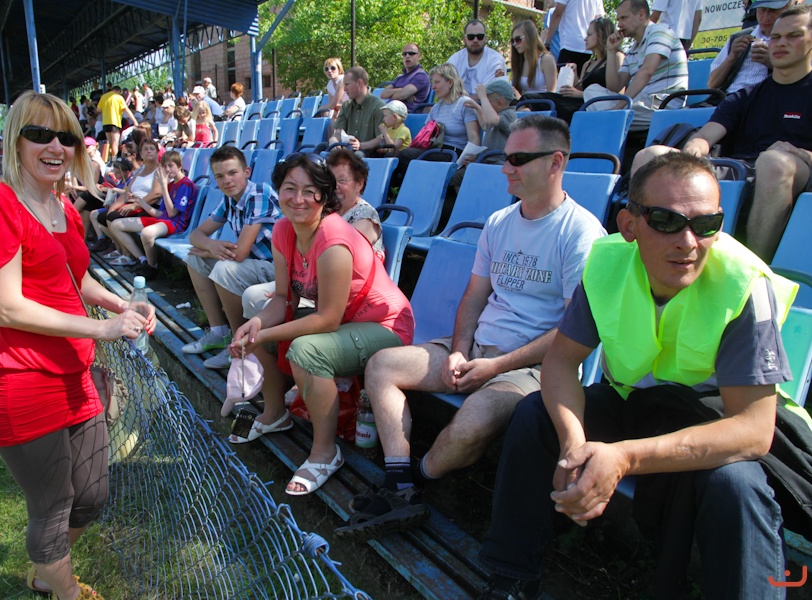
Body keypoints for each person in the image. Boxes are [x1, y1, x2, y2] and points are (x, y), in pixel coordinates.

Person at [477, 152, 803, 599]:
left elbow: (751, 430)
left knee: (736, 486)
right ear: (629, 225)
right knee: (536, 414)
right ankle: (510, 575)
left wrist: (624, 457)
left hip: (714, 418)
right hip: (634, 402)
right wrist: (574, 447)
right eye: (666, 221)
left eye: (706, 225)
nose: (688, 242)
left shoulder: (744, 282)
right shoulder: (606, 262)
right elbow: (559, 363)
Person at [335, 116, 606, 539]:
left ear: (556, 163)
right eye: (506, 158)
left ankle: (416, 479)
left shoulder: (581, 233)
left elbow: (573, 333)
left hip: (532, 368)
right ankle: (399, 483)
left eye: (518, 159)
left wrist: (495, 367)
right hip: (476, 347)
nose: (506, 168)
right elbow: (475, 296)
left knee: (471, 423)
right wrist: (461, 349)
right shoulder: (499, 222)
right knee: (382, 365)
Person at [0, 90, 156, 600]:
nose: (55, 146)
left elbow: (76, 280)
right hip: (22, 382)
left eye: (66, 137)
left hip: (76, 375)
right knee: (52, 506)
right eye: (40, 134)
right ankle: (63, 588)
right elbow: (8, 308)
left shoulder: (63, 208)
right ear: (16, 140)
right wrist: (102, 329)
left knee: (91, 495)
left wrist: (122, 306)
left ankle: (48, 570)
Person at [227, 153, 414, 498]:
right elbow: (283, 298)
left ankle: (326, 453)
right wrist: (256, 325)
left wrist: (264, 332)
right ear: (278, 191)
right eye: (290, 188)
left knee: (306, 350)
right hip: (346, 321)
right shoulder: (284, 230)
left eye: (310, 190)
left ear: (324, 196)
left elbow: (327, 319)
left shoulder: (333, 239)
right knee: (260, 332)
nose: (299, 199)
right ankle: (275, 414)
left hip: (385, 325)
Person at [634, 5, 812, 262]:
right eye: (775, 37)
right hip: (741, 168)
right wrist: (692, 153)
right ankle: (643, 256)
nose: (781, 43)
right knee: (650, 156)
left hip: (793, 170)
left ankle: (753, 267)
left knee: (774, 162)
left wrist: (800, 153)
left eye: (793, 36)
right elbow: (704, 137)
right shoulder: (746, 95)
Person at [240, 148, 387, 317]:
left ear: (359, 184)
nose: (335, 186)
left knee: (263, 301)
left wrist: (291, 288)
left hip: (348, 297)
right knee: (257, 298)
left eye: (342, 180)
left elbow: (335, 259)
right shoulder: (316, 213)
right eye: (332, 180)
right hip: (314, 286)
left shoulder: (364, 216)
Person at [180, 146, 281, 370]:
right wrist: (211, 246)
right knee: (195, 259)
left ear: (247, 171)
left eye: (232, 172)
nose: (226, 180)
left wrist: (210, 250)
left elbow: (241, 252)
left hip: (277, 270)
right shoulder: (229, 200)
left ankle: (238, 344)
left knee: (224, 268)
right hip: (254, 265)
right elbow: (196, 235)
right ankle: (219, 332)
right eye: (219, 176)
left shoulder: (259, 194)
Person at [584, 0, 688, 131]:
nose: (619, 25)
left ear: (641, 14)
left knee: (595, 117)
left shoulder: (660, 31)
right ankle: (611, 120)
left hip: (662, 106)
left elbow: (647, 71)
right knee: (591, 90)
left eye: (624, 18)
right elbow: (614, 87)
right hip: (640, 103)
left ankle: (611, 120)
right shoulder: (633, 50)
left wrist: (619, 108)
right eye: (618, 19)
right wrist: (610, 50)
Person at [108, 151, 198, 280]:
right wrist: (140, 201)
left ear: (179, 166)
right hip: (163, 221)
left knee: (147, 233)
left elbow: (172, 213)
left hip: (176, 224)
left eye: (171, 165)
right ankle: (142, 260)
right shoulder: (171, 185)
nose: (167, 170)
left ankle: (152, 267)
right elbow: (160, 214)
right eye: (164, 166)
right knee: (116, 225)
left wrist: (163, 187)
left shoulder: (185, 184)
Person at [389, 63, 480, 189]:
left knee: (406, 155)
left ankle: (412, 189)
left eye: (437, 82)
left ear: (450, 82)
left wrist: (471, 157)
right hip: (435, 149)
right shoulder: (437, 107)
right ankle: (397, 191)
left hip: (453, 153)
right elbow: (425, 134)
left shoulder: (465, 104)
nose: (433, 87)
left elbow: (474, 137)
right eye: (433, 82)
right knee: (393, 156)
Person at [530, 17, 624, 122]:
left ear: (601, 35)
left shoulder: (616, 57)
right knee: (532, 99)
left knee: (540, 101)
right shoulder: (587, 64)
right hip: (581, 105)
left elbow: (617, 93)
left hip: (595, 110)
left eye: (589, 35)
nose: (585, 39)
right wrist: (574, 76)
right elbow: (580, 89)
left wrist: (580, 94)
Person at [707, 0, 793, 95]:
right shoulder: (738, 37)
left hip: (766, 97)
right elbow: (712, 84)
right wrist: (732, 57)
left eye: (773, 10)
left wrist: (772, 63)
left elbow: (799, 79)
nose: (765, 17)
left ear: (788, 9)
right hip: (728, 96)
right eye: (762, 10)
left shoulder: (794, 40)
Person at [103, 139, 163, 265]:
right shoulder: (139, 171)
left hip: (148, 207)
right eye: (145, 149)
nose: (149, 151)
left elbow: (156, 194)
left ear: (157, 152)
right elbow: (127, 193)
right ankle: (123, 252)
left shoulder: (160, 170)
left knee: (113, 218)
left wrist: (135, 205)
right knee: (105, 215)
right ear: (141, 153)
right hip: (133, 204)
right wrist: (113, 207)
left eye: (152, 149)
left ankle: (130, 255)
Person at [328, 66, 386, 154]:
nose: (344, 89)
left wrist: (360, 145)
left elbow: (381, 139)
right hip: (348, 151)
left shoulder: (378, 106)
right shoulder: (346, 106)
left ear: (359, 83)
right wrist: (333, 140)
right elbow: (338, 133)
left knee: (358, 154)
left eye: (347, 84)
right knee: (322, 147)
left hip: (368, 154)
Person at [541, 0, 606, 72]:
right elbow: (599, 19)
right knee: (579, 77)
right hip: (587, 47)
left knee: (564, 77)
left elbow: (558, 13)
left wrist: (547, 42)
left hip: (570, 44)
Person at [447, 20, 507, 96]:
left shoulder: (495, 60)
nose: (475, 40)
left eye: (480, 37)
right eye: (471, 37)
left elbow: (488, 93)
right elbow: (446, 89)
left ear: (485, 38)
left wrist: (462, 102)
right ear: (464, 39)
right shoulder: (454, 60)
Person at [379, 43, 432, 113]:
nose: (407, 56)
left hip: (404, 115)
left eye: (411, 53)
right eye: (404, 54)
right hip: (389, 111)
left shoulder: (421, 76)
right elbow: (383, 94)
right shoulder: (400, 77)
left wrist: (393, 94)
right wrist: (400, 89)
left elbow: (400, 96)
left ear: (419, 56)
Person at [511, 20, 558, 95]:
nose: (515, 44)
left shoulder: (546, 59)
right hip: (522, 101)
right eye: (512, 41)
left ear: (530, 37)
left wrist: (523, 99)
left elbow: (552, 94)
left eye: (518, 39)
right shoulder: (520, 61)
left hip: (541, 101)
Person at [96, 85, 137, 161]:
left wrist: (106, 108)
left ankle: (109, 159)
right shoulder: (119, 97)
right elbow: (126, 110)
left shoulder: (104, 97)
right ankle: (114, 161)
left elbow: (98, 110)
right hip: (115, 122)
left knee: (110, 143)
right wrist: (135, 121)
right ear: (118, 91)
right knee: (115, 143)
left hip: (105, 123)